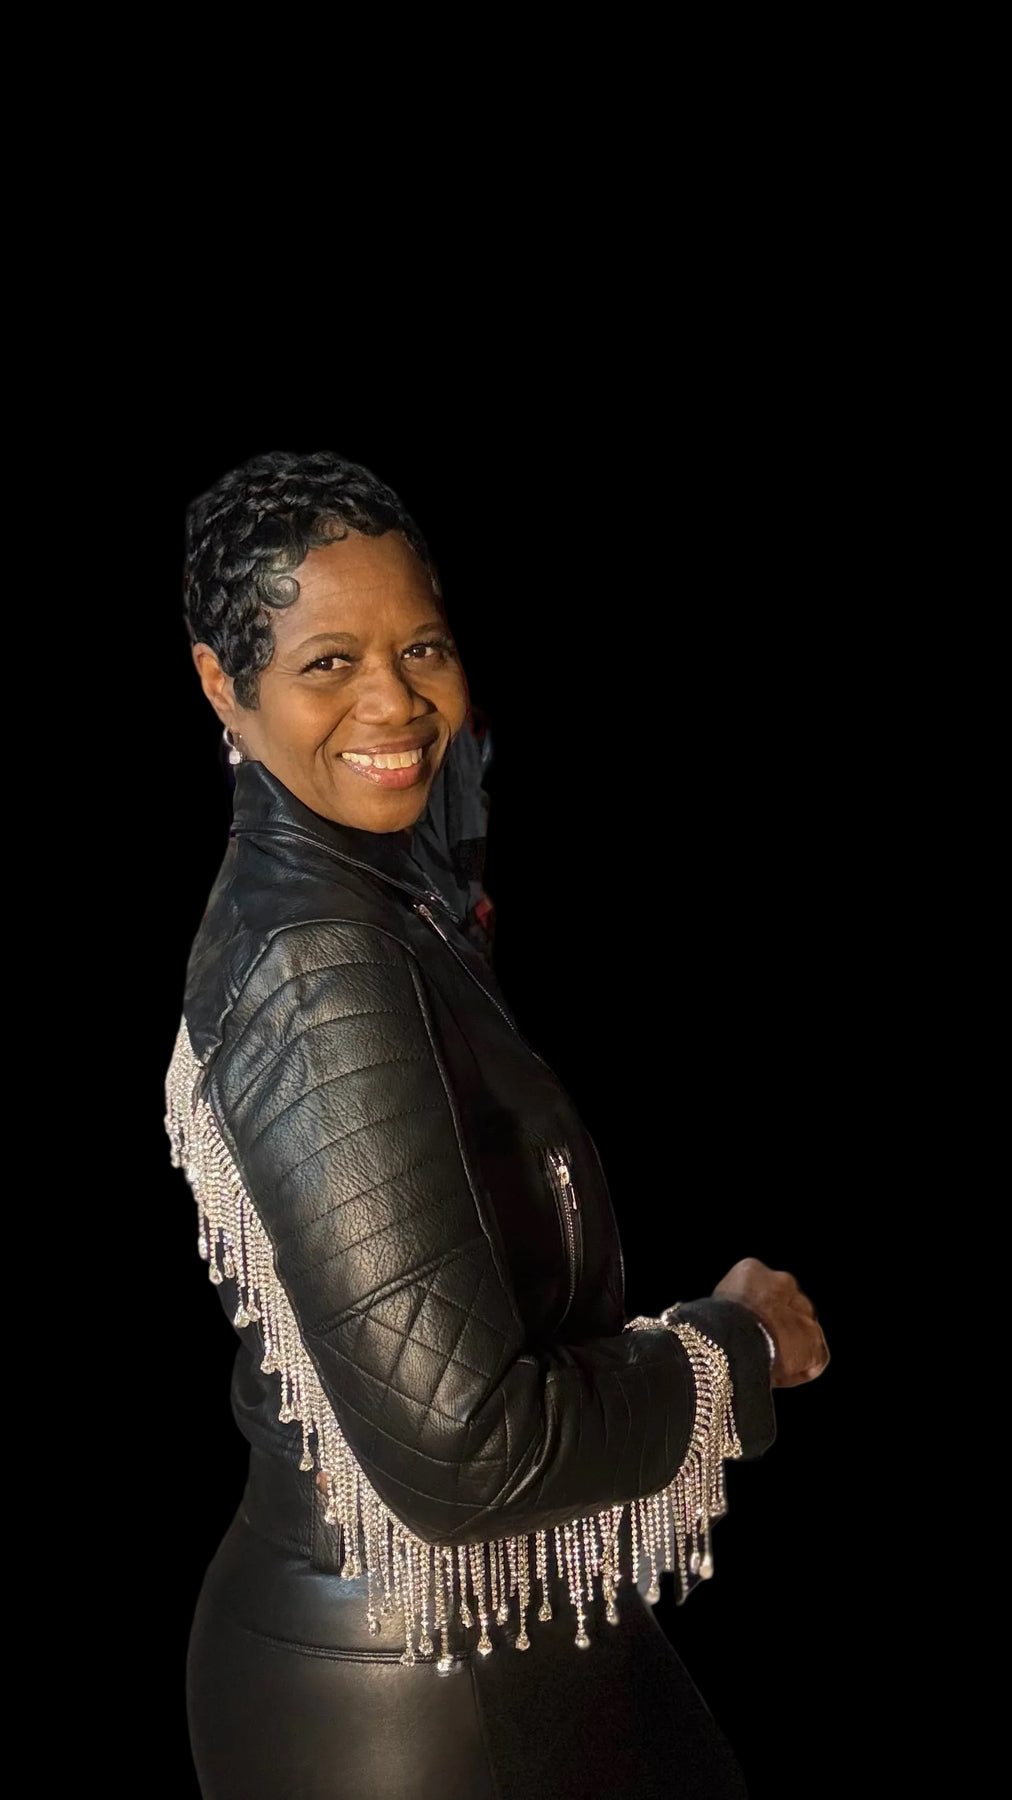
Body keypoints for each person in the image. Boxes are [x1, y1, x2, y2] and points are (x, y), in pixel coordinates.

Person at [165, 446, 830, 1800]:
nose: (394, 702)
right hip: (415, 1705)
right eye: (329, 662)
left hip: (494, 1647)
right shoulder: (320, 972)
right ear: (222, 685)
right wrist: (737, 1348)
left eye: (423, 648)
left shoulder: (362, 897)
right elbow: (470, 1454)